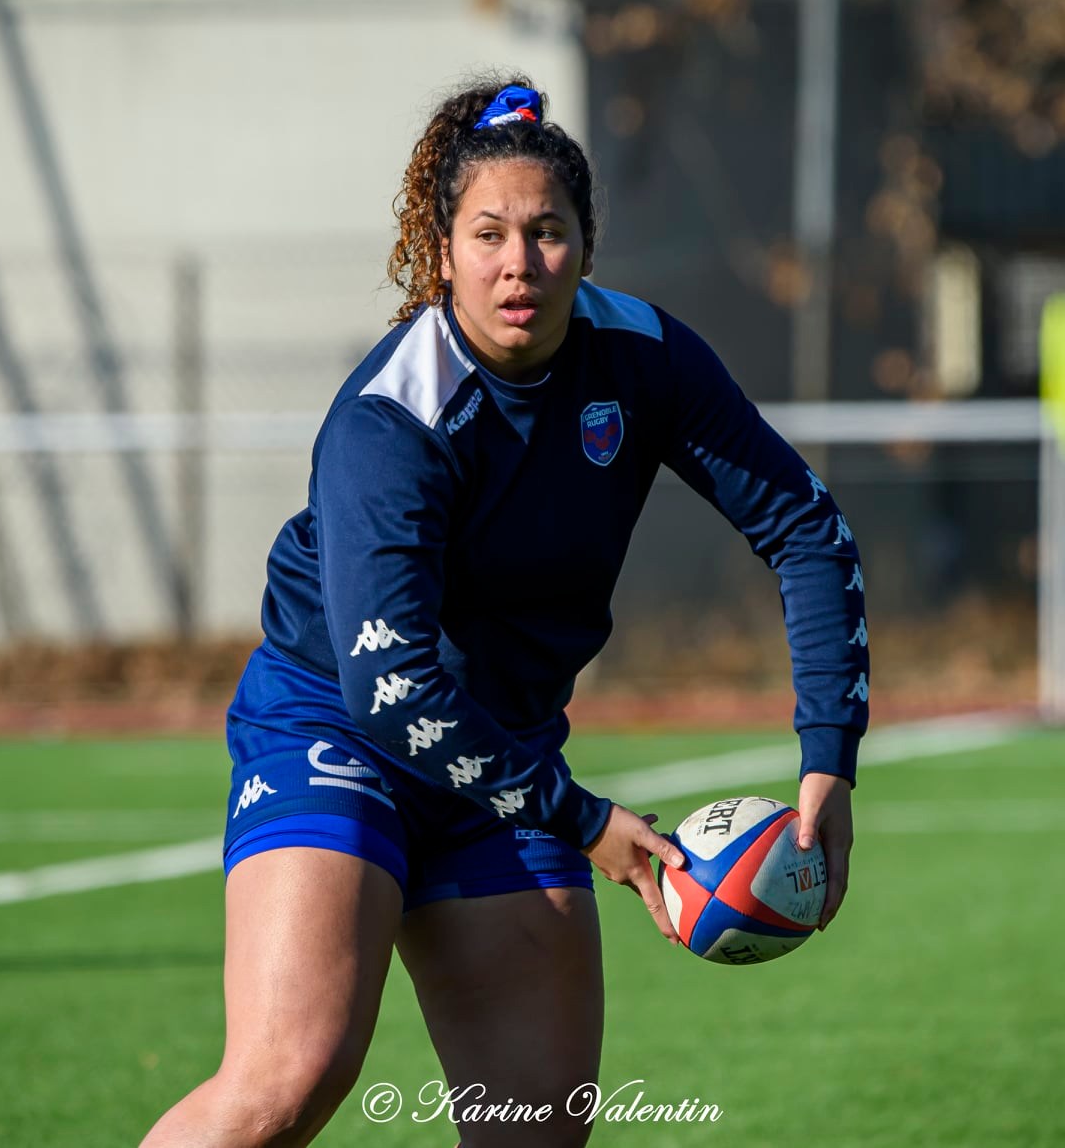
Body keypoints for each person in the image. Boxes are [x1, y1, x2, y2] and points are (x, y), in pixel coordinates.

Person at [139, 75, 869, 1148]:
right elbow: (390, 689)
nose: (518, 264)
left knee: (537, 1131)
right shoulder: (391, 421)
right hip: (338, 730)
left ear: (588, 242)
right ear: (443, 254)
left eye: (547, 232)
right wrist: (584, 823)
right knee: (288, 1079)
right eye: (488, 235)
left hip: (504, 752)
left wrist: (828, 765)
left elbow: (807, 531)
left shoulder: (647, 360)